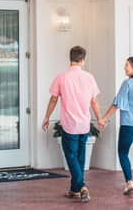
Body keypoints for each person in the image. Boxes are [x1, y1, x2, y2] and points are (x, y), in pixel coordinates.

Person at [42, 46, 104, 203]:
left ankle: (82, 186)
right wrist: (99, 118)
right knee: (80, 157)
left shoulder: (61, 77)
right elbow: (94, 101)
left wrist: (47, 117)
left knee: (70, 156)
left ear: (70, 58)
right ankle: (74, 190)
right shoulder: (89, 77)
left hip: (69, 125)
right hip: (84, 124)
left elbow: (53, 99)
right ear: (83, 60)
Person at [102, 56, 133, 196]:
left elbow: (117, 103)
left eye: (127, 65)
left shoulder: (128, 83)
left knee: (123, 153)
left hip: (130, 125)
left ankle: (129, 183)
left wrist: (104, 118)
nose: (125, 68)